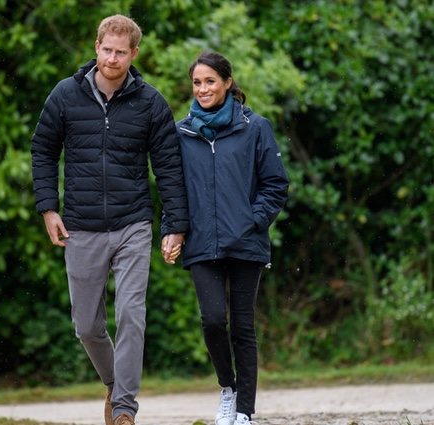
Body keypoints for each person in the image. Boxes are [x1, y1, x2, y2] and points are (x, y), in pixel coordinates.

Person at [31, 14, 188, 425]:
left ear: (134, 53)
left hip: (133, 224)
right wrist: (48, 208)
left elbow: (169, 167)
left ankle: (124, 410)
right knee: (86, 326)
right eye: (106, 50)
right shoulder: (65, 95)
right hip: (80, 225)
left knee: (132, 314)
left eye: (121, 52)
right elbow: (43, 150)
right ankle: (114, 384)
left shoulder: (151, 102)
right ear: (96, 46)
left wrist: (174, 224)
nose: (112, 59)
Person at [161, 51, 289, 425]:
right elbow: (174, 189)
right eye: (197, 82)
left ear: (227, 83)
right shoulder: (181, 132)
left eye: (210, 81)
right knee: (214, 320)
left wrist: (253, 220)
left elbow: (275, 184)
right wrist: (173, 227)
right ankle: (228, 390)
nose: (203, 89)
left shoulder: (255, 127)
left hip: (246, 242)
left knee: (243, 326)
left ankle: (246, 411)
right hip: (202, 243)